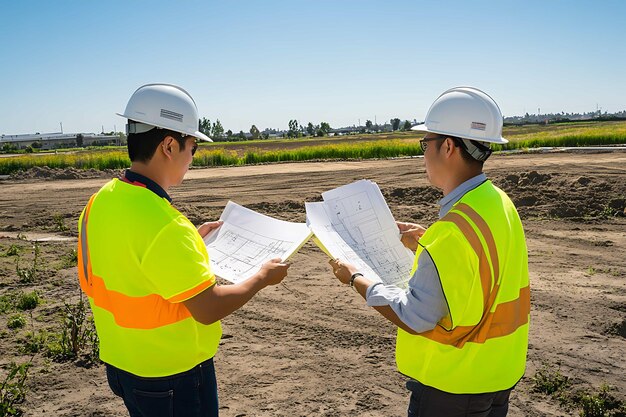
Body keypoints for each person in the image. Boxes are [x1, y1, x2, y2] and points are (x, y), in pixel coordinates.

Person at [77, 83, 290, 417]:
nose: (192, 157)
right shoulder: (165, 225)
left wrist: (189, 243)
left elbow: (129, 264)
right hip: (171, 375)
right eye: (193, 147)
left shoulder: (99, 201)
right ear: (169, 145)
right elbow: (207, 308)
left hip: (122, 365)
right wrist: (262, 277)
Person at [329, 87, 530, 417]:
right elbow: (479, 269)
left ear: (448, 146)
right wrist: (426, 241)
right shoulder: (498, 202)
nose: (423, 154)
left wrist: (355, 279)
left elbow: (416, 315)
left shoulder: (450, 234)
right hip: (498, 375)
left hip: (453, 386)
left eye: (426, 143)